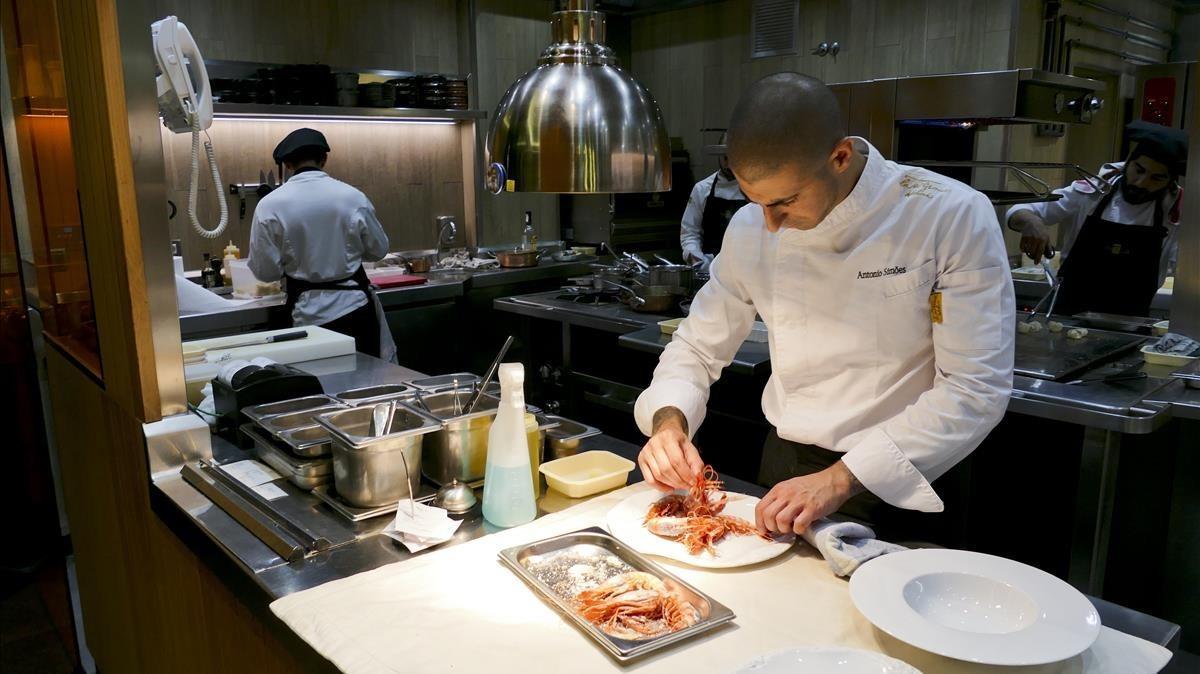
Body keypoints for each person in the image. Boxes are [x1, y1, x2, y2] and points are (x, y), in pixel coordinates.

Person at [633, 73, 1015, 539]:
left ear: (840, 157)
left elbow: (976, 388)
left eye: (785, 201)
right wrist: (668, 421)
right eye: (756, 202)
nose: (770, 225)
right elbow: (696, 346)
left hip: (901, 471)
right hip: (786, 465)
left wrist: (840, 479)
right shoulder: (752, 228)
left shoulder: (948, 215)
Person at [1006, 120, 1187, 317]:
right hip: (1066, 314)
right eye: (1139, 170)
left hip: (1129, 324)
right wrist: (1032, 222)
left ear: (1170, 181)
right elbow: (1019, 210)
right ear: (1128, 163)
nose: (1141, 182)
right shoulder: (1092, 191)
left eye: (1157, 178)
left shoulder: (1178, 210)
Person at [248, 128, 396, 361]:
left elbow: (265, 272)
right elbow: (379, 250)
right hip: (355, 308)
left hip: (306, 318)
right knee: (366, 386)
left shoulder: (269, 206)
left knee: (318, 389)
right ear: (324, 159)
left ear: (287, 164)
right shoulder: (352, 197)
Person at [679, 132, 750, 272]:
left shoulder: (754, 190)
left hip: (745, 269)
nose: (729, 163)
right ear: (718, 156)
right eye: (725, 157)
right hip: (709, 270)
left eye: (734, 158)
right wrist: (697, 260)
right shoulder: (702, 189)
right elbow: (689, 232)